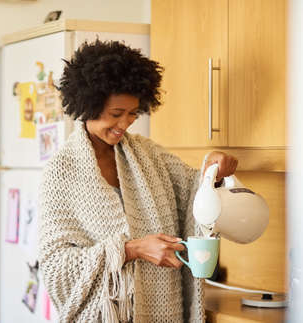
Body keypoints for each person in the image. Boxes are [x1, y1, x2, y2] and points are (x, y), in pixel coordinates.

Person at [38, 39, 238, 323]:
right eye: (116, 114)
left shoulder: (148, 155)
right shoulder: (61, 172)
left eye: (133, 113)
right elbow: (56, 267)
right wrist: (131, 250)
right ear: (87, 105)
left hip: (162, 310)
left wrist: (213, 169)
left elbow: (196, 190)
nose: (125, 124)